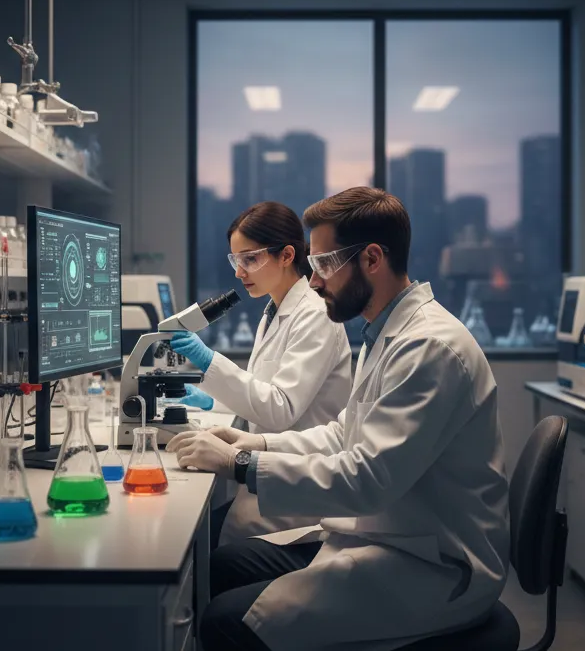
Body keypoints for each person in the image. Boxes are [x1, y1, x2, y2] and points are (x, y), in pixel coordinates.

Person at [167, 187, 510, 651]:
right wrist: (254, 445)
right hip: (384, 534)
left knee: (223, 622)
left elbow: (368, 478)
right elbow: (342, 432)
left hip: (433, 564)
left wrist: (240, 465)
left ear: (372, 258)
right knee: (223, 567)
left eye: (324, 264)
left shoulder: (430, 348)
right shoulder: (385, 332)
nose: (312, 280)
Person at [169, 200, 351, 547]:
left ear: (286, 255)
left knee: (192, 549)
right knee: (191, 536)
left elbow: (279, 409)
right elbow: (263, 391)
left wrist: (209, 362)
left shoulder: (314, 314)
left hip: (298, 496)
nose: (239, 272)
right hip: (269, 477)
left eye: (249, 259)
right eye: (235, 260)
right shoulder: (274, 311)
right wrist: (211, 401)